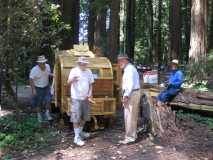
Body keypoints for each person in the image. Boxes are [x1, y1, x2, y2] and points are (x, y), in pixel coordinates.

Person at [67, 56, 94, 146]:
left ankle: (80, 133)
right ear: (79, 63)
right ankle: (76, 138)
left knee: (85, 118)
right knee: (76, 118)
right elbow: (68, 82)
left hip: (86, 98)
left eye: (85, 64)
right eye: (83, 63)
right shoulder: (74, 71)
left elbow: (91, 84)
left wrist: (90, 94)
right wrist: (72, 79)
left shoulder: (89, 71)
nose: (84, 65)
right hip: (76, 98)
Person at [117, 54, 141, 144]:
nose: (119, 63)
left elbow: (130, 84)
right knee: (131, 116)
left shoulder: (129, 69)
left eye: (120, 61)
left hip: (132, 94)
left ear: (125, 60)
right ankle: (132, 135)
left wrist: (126, 96)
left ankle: (130, 138)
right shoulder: (128, 69)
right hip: (132, 93)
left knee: (129, 116)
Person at [29, 55, 53, 122]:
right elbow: (31, 79)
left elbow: (48, 74)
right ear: (38, 63)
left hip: (46, 86)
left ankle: (47, 114)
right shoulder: (34, 70)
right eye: (41, 63)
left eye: (44, 62)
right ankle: (39, 115)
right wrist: (33, 89)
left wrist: (53, 75)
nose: (43, 64)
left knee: (48, 100)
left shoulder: (48, 66)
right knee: (38, 102)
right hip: (38, 88)